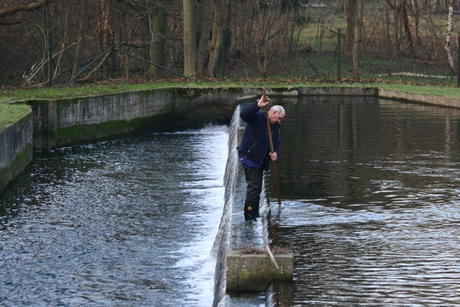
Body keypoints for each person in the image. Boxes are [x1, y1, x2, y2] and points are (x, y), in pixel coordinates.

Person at [237, 95, 285, 221]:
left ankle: (255, 214)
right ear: (273, 112)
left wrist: (276, 154)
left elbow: (276, 144)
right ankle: (249, 216)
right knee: (254, 188)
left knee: (256, 188)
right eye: (279, 118)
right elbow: (244, 115)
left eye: (281, 119)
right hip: (249, 157)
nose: (279, 121)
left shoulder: (274, 127)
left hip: (260, 161)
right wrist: (257, 105)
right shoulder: (257, 117)